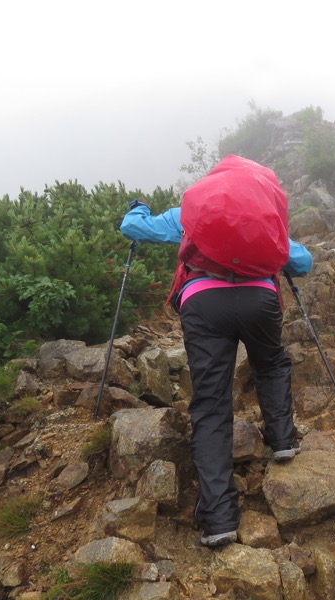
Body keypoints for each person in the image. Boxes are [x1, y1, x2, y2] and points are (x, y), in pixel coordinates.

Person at [120, 159, 313, 549]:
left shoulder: (193, 210)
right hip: (260, 298)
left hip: (203, 301)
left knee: (210, 403)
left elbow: (133, 229)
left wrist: (137, 209)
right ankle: (282, 441)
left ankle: (219, 519)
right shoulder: (263, 215)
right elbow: (303, 262)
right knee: (271, 362)